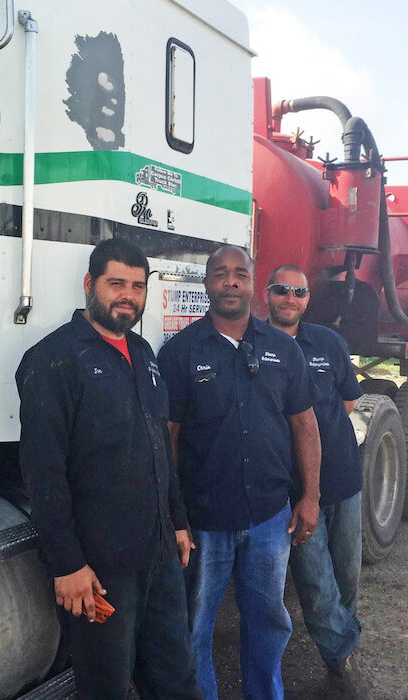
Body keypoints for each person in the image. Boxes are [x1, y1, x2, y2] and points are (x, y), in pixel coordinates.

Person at [16, 239, 200, 699]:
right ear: (89, 285)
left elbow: (159, 443)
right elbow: (43, 472)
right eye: (116, 283)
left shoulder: (143, 353)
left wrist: (176, 522)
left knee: (176, 679)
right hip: (100, 572)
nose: (128, 296)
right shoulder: (53, 360)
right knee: (107, 687)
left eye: (137, 286)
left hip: (157, 560)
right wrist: (68, 564)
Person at [158, 245, 322, 700]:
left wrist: (309, 497)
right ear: (207, 284)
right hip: (205, 520)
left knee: (268, 623)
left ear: (253, 285)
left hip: (269, 516)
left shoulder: (283, 349)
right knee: (196, 627)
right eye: (220, 274)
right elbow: (167, 438)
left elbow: (304, 424)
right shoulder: (180, 353)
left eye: (240, 274)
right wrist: (175, 515)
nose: (230, 281)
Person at [266, 264, 370, 697]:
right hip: (291, 490)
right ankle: (344, 654)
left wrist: (318, 441)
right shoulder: (255, 345)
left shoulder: (329, 343)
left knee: (346, 574)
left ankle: (339, 651)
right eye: (281, 290)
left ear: (308, 299)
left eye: (299, 291)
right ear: (267, 294)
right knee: (313, 580)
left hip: (343, 479)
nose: (290, 298)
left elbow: (347, 401)